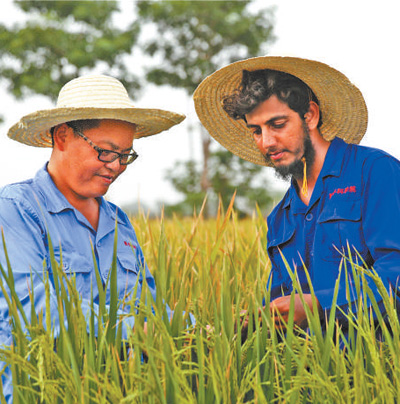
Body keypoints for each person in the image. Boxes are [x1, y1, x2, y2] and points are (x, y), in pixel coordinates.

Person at [0, 74, 187, 401]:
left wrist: (194, 330)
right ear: (62, 136)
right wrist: (138, 331)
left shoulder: (119, 223)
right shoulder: (17, 209)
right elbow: (34, 308)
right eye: (106, 152)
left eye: (126, 155)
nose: (116, 166)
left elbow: (147, 305)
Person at [193, 56, 400, 337]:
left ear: (310, 115)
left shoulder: (375, 172)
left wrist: (319, 305)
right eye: (256, 131)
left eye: (277, 124)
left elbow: (396, 276)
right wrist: (251, 322)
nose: (266, 142)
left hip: (376, 366)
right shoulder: (280, 217)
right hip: (306, 371)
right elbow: (283, 311)